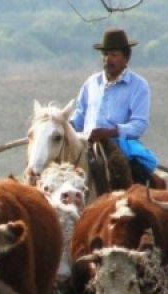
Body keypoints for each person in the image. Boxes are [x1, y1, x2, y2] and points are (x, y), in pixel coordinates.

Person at [69, 28, 162, 195]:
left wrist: (110, 132)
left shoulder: (138, 86)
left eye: (113, 55)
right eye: (104, 55)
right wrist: (62, 126)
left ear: (126, 57)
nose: (107, 60)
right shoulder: (91, 83)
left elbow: (139, 124)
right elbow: (78, 118)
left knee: (132, 179)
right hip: (86, 144)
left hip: (117, 146)